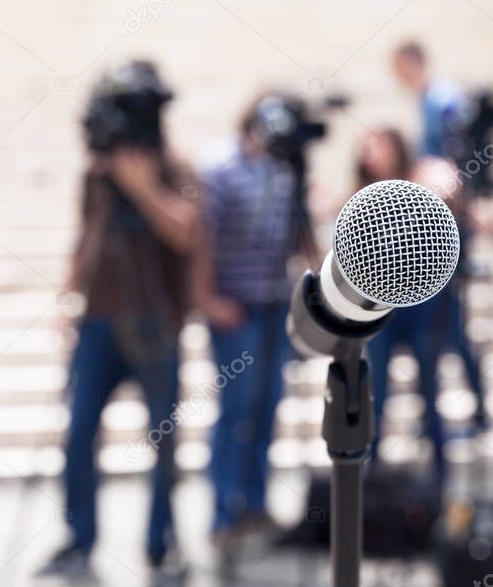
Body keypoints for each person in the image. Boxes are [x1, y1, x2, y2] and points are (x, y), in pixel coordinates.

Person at [38, 61, 199, 579]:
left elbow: (185, 235)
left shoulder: (177, 170)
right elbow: (85, 239)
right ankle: (78, 537)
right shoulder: (98, 177)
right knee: (79, 429)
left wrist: (145, 189)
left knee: (164, 435)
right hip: (100, 323)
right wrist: (66, 298)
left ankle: (161, 540)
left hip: (158, 322)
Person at [195, 92, 309, 540]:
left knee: (266, 408)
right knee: (235, 410)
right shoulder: (222, 166)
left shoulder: (287, 168)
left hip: (275, 304)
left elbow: (297, 235)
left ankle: (257, 503)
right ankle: (224, 511)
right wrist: (206, 297)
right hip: (235, 308)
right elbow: (206, 235)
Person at [392, 40, 488, 428]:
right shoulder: (430, 99)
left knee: (451, 327)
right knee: (450, 329)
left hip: (449, 221)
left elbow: (456, 156)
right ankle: (461, 408)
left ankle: (476, 405)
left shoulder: (440, 98)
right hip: (437, 220)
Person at [355, 127, 459, 484]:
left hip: (421, 308)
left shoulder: (422, 184)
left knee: (429, 391)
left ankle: (441, 475)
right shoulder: (361, 197)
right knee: (376, 393)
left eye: (379, 146)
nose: (372, 155)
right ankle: (370, 475)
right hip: (378, 310)